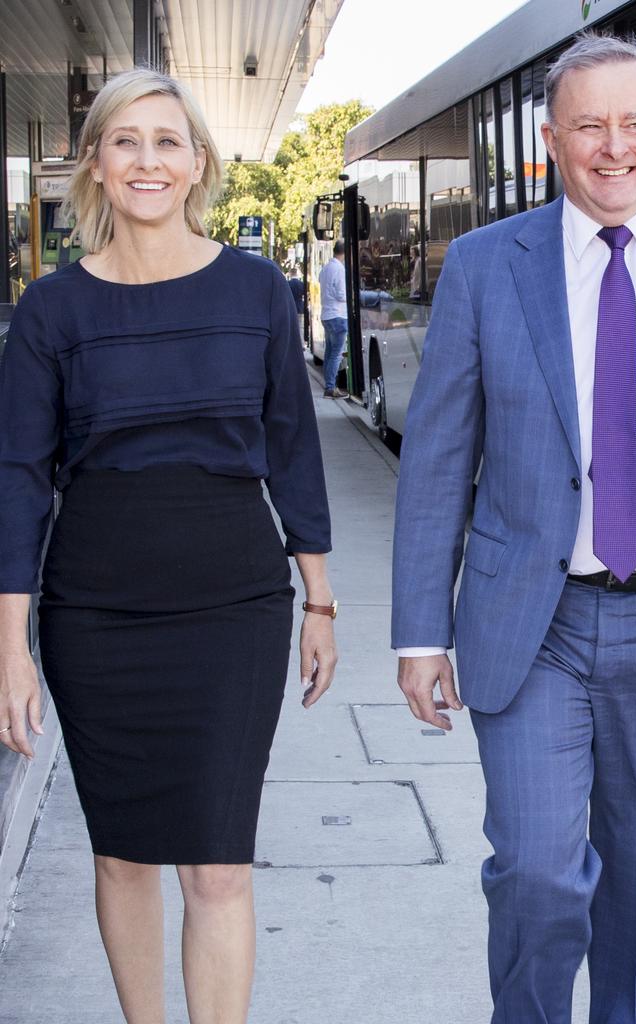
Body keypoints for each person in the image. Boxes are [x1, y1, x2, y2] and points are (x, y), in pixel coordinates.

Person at [392, 32, 636, 1024]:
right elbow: (435, 456)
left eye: (634, 124)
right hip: (535, 618)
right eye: (589, 125)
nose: (614, 146)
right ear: (551, 140)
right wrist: (420, 631)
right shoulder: (485, 266)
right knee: (538, 873)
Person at [0, 68, 338, 1024]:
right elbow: (17, 479)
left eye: (167, 141)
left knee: (219, 864)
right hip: (95, 613)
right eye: (126, 141)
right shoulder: (50, 311)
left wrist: (319, 597)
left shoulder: (256, 289)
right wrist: (8, 646)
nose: (148, 160)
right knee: (120, 852)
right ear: (98, 166)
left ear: (198, 163)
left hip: (232, 603)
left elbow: (293, 448)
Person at [318, 238, 349, 398]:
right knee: (336, 354)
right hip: (338, 315)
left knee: (329, 353)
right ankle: (330, 388)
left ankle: (328, 385)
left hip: (326, 315)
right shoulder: (340, 269)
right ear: (345, 252)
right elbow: (342, 294)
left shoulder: (325, 269)